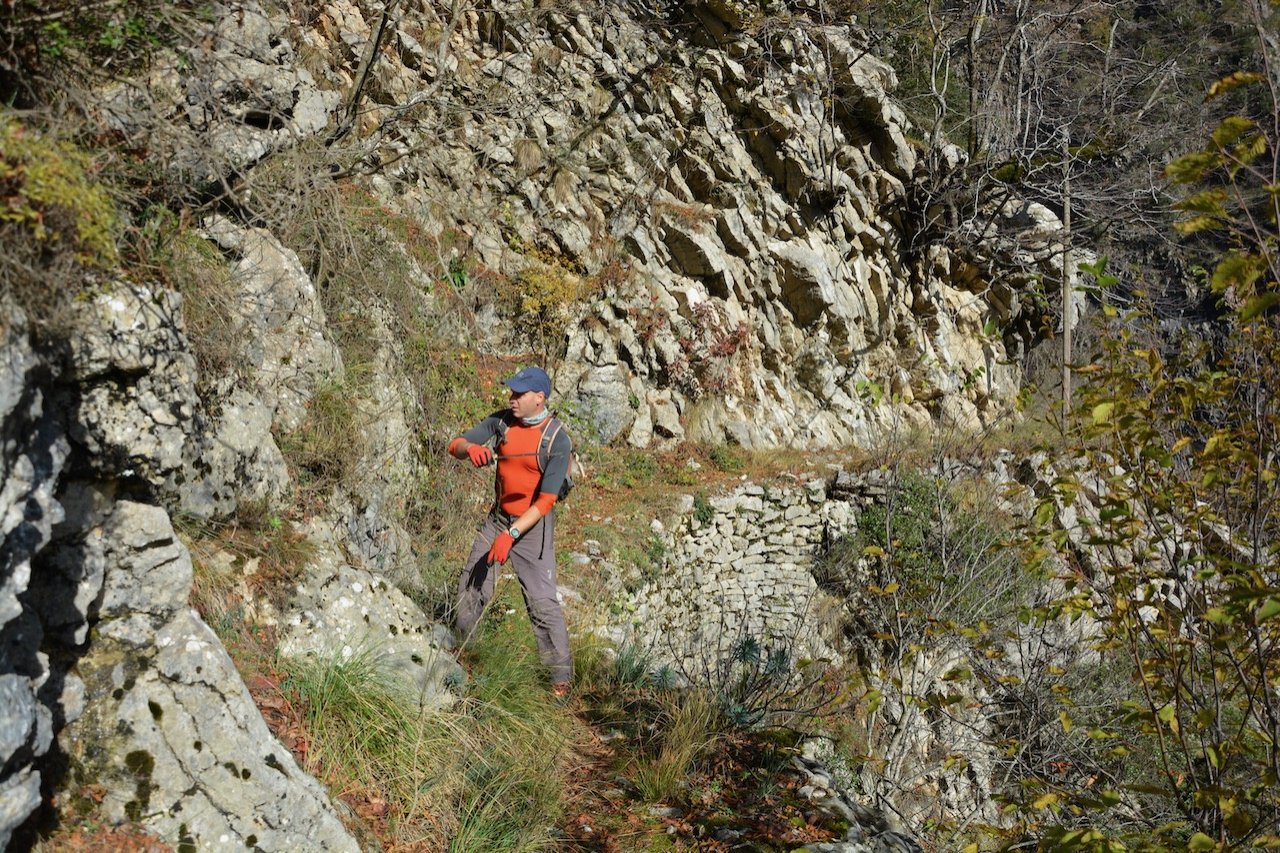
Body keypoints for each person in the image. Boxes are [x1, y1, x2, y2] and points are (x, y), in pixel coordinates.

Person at [447, 365, 573, 697]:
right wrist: (470, 449)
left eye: (519, 394)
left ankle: (559, 683)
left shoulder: (558, 440)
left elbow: (546, 501)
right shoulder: (502, 421)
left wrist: (512, 534)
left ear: (539, 398)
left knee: (542, 604)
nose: (511, 398)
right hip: (498, 518)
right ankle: (466, 654)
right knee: (472, 582)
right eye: (511, 392)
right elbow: (455, 445)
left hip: (532, 527)